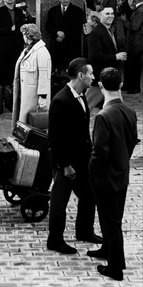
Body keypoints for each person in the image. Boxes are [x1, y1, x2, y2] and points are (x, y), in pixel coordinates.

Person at [88, 67, 138, 281]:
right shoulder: (130, 111)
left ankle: (115, 266)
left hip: (106, 177)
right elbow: (132, 141)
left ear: (100, 86)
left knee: (111, 222)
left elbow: (99, 152)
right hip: (121, 174)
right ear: (120, 85)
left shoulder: (103, 116)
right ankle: (107, 248)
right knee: (113, 217)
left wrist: (92, 171)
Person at [47, 57, 102, 254]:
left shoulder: (81, 95)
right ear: (81, 75)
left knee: (89, 196)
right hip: (66, 163)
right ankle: (54, 240)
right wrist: (65, 165)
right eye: (91, 73)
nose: (93, 77)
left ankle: (85, 231)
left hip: (82, 160)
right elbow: (55, 137)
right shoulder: (61, 100)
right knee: (59, 203)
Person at [11, 24, 52, 127]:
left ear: (29, 36)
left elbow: (45, 78)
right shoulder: (27, 50)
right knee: (23, 122)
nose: (23, 37)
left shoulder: (42, 52)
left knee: (31, 124)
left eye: (24, 34)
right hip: (25, 93)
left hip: (34, 98)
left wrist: (42, 99)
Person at [45, 0, 86, 73]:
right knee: (57, 70)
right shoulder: (53, 11)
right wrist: (57, 33)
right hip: (57, 44)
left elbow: (78, 28)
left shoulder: (77, 11)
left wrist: (64, 35)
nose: (66, 0)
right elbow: (48, 26)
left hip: (71, 45)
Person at [0, 0, 26, 87]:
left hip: (16, 46)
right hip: (3, 47)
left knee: (14, 71)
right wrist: (10, 29)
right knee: (2, 72)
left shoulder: (19, 12)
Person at [88, 6, 127, 82]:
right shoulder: (96, 33)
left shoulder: (111, 30)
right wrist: (115, 57)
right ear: (100, 16)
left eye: (112, 13)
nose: (110, 16)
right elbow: (95, 56)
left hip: (111, 74)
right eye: (107, 13)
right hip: (102, 75)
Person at [121, 0, 143, 94]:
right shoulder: (138, 8)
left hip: (136, 43)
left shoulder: (140, 10)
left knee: (134, 65)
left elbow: (134, 26)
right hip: (133, 43)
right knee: (130, 64)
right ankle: (128, 85)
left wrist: (125, 21)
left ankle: (134, 87)